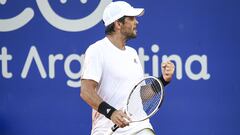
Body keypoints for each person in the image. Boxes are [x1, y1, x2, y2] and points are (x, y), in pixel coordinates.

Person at [80, 1, 175, 135]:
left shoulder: (132, 53)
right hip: (106, 130)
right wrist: (111, 113)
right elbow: (86, 91)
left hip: (139, 127)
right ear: (118, 24)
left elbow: (139, 97)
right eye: (131, 18)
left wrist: (163, 80)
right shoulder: (97, 50)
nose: (136, 22)